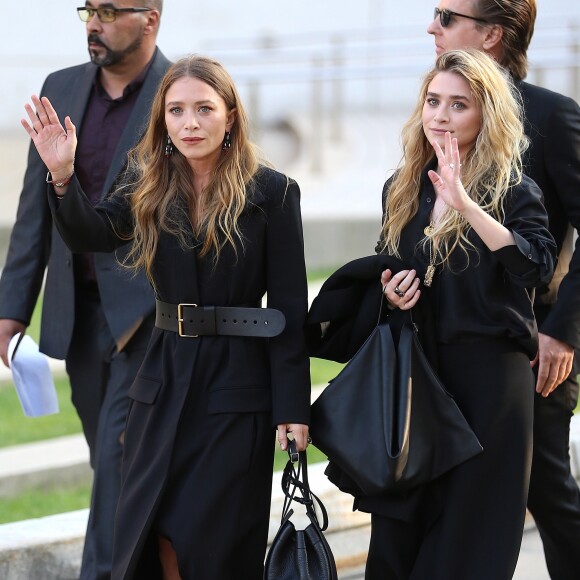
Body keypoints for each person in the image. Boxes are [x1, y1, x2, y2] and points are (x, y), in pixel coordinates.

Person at [21, 54, 312, 579]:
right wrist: (62, 177)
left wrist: (294, 408)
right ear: (163, 121)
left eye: (204, 108)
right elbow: (92, 232)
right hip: (161, 381)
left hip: (235, 389)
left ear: (230, 116)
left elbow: (291, 309)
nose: (190, 123)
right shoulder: (148, 183)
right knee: (153, 532)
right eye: (176, 111)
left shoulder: (272, 192)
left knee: (213, 541)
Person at [309, 49, 556, 579]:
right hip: (416, 379)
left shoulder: (514, 192)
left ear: (486, 115)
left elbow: (534, 266)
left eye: (458, 105)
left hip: (489, 387)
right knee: (401, 541)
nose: (440, 115)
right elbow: (392, 269)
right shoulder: (402, 189)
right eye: (432, 100)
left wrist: (467, 204)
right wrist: (392, 292)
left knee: (469, 543)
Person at [0, 2, 171, 578]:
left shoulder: (179, 93)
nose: (93, 23)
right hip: (78, 313)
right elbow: (33, 212)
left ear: (149, 18)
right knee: (113, 464)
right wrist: (11, 308)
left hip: (148, 317)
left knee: (123, 459)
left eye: (107, 11)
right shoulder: (61, 88)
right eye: (87, 10)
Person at [427, 3, 580, 577]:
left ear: (492, 34)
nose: (431, 27)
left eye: (446, 15)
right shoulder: (436, 115)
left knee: (547, 493)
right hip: (445, 349)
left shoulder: (552, 116)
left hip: (531, 350)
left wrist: (563, 332)